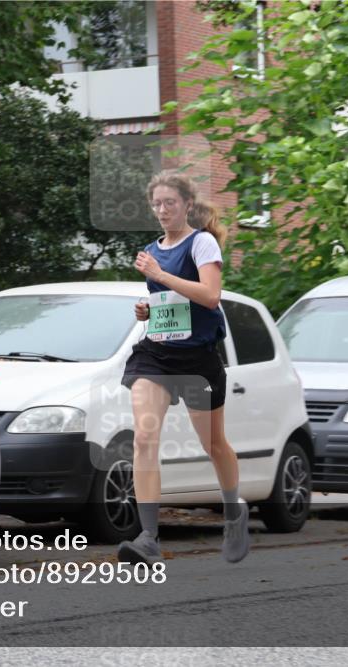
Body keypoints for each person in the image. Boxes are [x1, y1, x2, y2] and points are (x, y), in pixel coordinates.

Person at [117, 170, 249, 565]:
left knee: (213, 444)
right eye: (156, 204)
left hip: (198, 359)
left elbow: (209, 297)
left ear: (187, 204)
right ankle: (148, 538)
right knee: (143, 438)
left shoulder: (202, 243)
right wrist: (146, 309)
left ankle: (233, 512)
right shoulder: (151, 249)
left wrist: (159, 275)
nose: (162, 210)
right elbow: (166, 304)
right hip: (156, 354)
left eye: (169, 202)